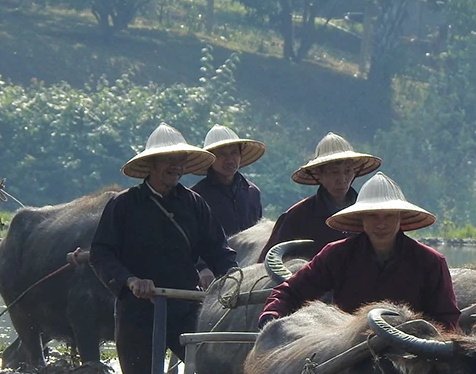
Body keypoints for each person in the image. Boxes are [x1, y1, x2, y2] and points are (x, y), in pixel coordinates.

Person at [90, 123, 239, 374]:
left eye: (180, 160)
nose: (176, 166)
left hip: (185, 304)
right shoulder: (124, 205)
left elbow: (218, 251)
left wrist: (235, 281)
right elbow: (101, 254)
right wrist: (130, 280)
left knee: (208, 373)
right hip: (137, 308)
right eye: (168, 159)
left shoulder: (194, 204)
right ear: (151, 164)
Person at [258, 172, 460, 332]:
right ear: (361, 219)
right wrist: (272, 316)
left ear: (401, 219)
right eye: (372, 216)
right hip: (347, 351)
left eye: (389, 216)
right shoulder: (337, 254)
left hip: (408, 354)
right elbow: (291, 291)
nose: (381, 224)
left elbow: (446, 320)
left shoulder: (430, 261)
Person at [257, 131, 381, 262]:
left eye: (348, 171)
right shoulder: (297, 217)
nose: (342, 179)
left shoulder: (367, 213)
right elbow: (268, 262)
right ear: (319, 175)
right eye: (334, 172)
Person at [189, 124, 265, 286]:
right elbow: (190, 239)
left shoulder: (252, 192)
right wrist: (202, 268)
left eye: (234, 153)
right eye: (222, 154)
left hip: (249, 271)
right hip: (211, 275)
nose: (229, 159)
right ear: (211, 158)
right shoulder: (196, 196)